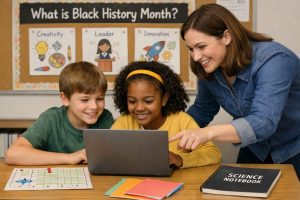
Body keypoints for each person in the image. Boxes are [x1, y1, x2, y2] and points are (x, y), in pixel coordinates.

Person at [169, 3, 300, 179]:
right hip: (256, 148)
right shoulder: (208, 68)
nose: (196, 57)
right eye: (191, 49)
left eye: (201, 46)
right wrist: (168, 138)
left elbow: (264, 121)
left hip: (294, 148)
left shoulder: (275, 59)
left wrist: (207, 134)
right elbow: (202, 111)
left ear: (227, 37)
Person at [112, 61, 222, 168]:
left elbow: (213, 154)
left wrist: (180, 159)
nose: (139, 108)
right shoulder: (124, 122)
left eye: (148, 101)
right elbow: (108, 152)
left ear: (164, 99)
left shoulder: (182, 121)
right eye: (132, 101)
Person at [5, 61, 114, 165]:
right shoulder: (51, 119)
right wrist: (70, 158)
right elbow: (12, 154)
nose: (94, 106)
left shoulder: (105, 118)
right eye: (85, 100)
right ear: (65, 99)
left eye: (99, 99)